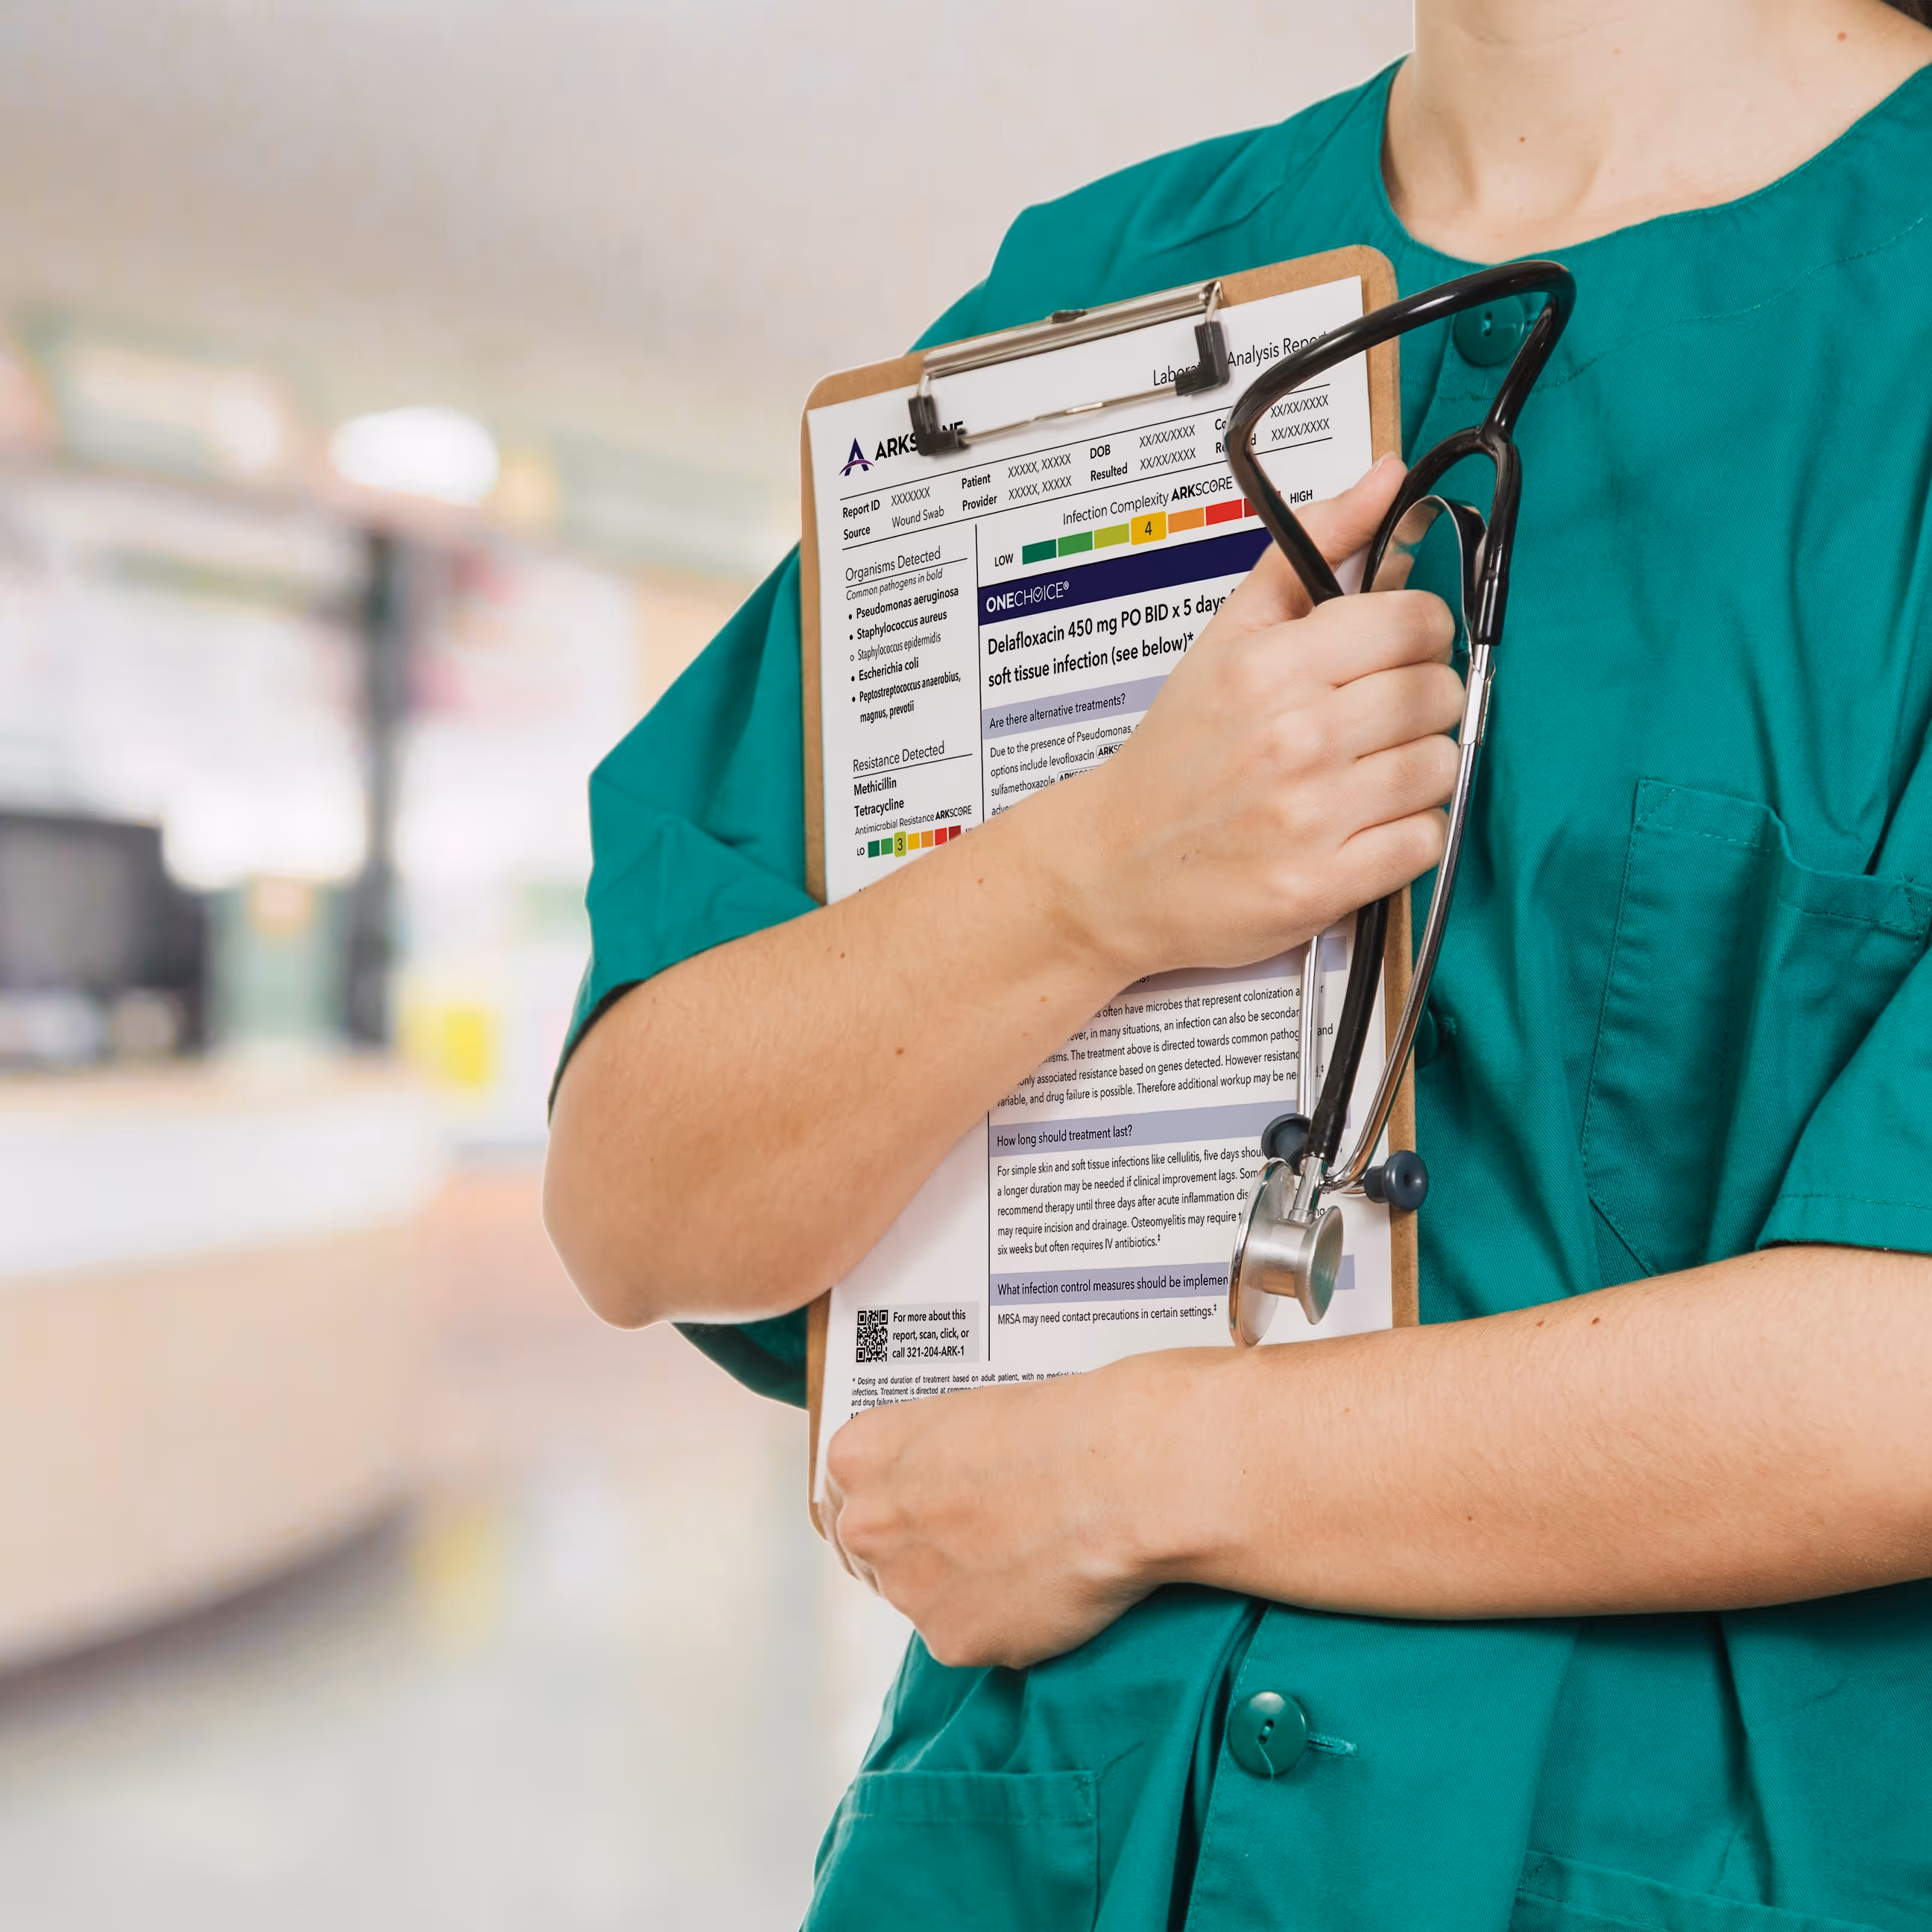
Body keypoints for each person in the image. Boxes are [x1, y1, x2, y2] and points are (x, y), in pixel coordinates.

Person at [544, 1, 1932, 1925]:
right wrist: (1094, 881)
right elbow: (637, 1199)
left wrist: (1139, 1469)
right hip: (1034, 1850)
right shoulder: (1093, 302)